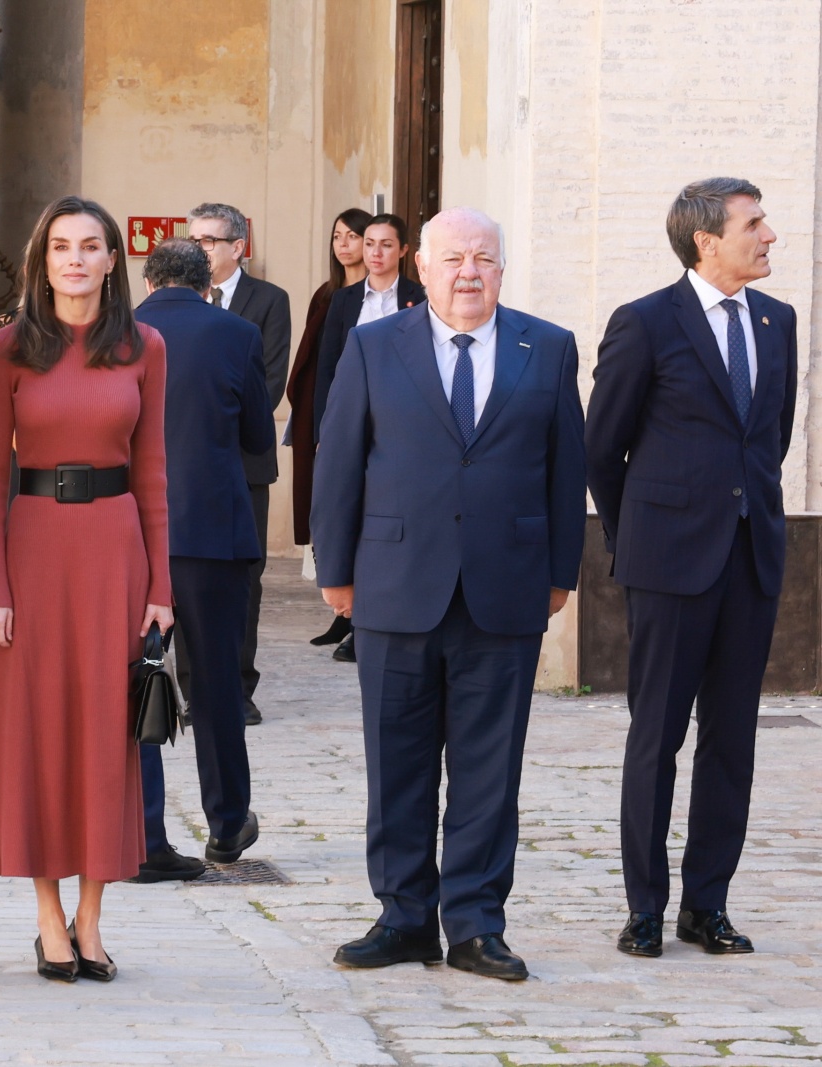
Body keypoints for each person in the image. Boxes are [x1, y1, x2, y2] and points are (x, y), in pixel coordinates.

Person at [311, 207, 586, 981]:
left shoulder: (548, 347)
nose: (469, 272)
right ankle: (403, 917)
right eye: (454, 258)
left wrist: (560, 572)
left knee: (488, 769)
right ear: (421, 269)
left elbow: (568, 468)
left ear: (503, 269)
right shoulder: (373, 346)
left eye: (485, 258)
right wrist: (336, 568)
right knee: (396, 761)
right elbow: (339, 462)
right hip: (396, 586)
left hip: (506, 590)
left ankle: (474, 923)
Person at [587, 178, 797, 959]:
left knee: (731, 740)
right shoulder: (645, 322)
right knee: (657, 737)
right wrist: (641, 529)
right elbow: (602, 448)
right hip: (667, 561)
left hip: (751, 557)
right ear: (707, 240)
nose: (769, 234)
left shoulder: (779, 321)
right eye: (754, 223)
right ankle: (645, 906)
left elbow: (768, 438)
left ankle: (707, 905)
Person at [0, 196, 172, 982]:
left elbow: (154, 470)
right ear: (42, 260)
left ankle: (92, 918)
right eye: (60, 246)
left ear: (111, 259)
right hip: (33, 547)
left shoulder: (145, 345)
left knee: (104, 733)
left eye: (91, 246)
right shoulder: (11, 347)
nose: (76, 260)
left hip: (114, 553)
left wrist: (162, 585)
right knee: (36, 731)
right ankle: (48, 916)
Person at [129, 238, 273, 884]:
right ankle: (226, 820)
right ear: (206, 280)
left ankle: (144, 824)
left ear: (149, 278)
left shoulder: (120, 332)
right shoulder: (238, 334)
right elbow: (256, 437)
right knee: (214, 682)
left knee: (137, 678)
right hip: (212, 531)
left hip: (132, 532)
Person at [185, 203, 291, 725]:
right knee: (183, 578)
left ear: (237, 247)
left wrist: (205, 430)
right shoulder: (171, 299)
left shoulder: (268, 302)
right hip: (183, 470)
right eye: (193, 239)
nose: (198, 249)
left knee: (243, 580)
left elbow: (268, 386)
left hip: (244, 466)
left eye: (208, 240)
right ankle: (190, 691)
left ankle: (238, 690)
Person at [312, 211, 426, 662]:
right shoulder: (343, 301)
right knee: (351, 512)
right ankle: (354, 616)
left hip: (397, 425)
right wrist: (325, 429)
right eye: (370, 243)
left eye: (385, 245)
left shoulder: (419, 298)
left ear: (403, 252)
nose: (374, 253)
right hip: (349, 421)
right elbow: (326, 367)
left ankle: (376, 620)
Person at [287, 208, 372, 649]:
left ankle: (359, 616)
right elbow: (316, 364)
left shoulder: (383, 296)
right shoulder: (329, 294)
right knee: (329, 510)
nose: (344, 244)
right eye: (337, 236)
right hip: (326, 416)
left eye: (353, 236)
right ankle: (341, 611)